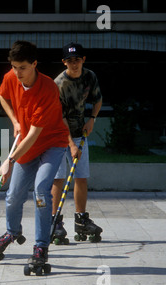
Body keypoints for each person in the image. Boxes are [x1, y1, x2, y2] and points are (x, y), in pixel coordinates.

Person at [0, 41, 69, 269]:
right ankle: (12, 232)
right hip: (28, 144)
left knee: (42, 189)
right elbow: (2, 96)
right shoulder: (11, 77)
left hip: (52, 143)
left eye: (22, 67)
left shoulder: (48, 89)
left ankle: (41, 246)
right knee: (13, 195)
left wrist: (9, 160)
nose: (17, 73)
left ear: (34, 64)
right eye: (14, 67)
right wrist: (14, 120)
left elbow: (35, 134)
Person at [51, 42, 103, 243]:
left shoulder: (90, 76)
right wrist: (70, 144)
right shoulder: (59, 84)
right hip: (58, 135)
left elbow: (97, 100)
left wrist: (92, 119)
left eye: (77, 59)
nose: (74, 64)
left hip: (80, 132)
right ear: (64, 62)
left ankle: (81, 219)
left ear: (83, 60)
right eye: (70, 60)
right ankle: (55, 221)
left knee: (81, 176)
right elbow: (59, 117)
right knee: (59, 178)